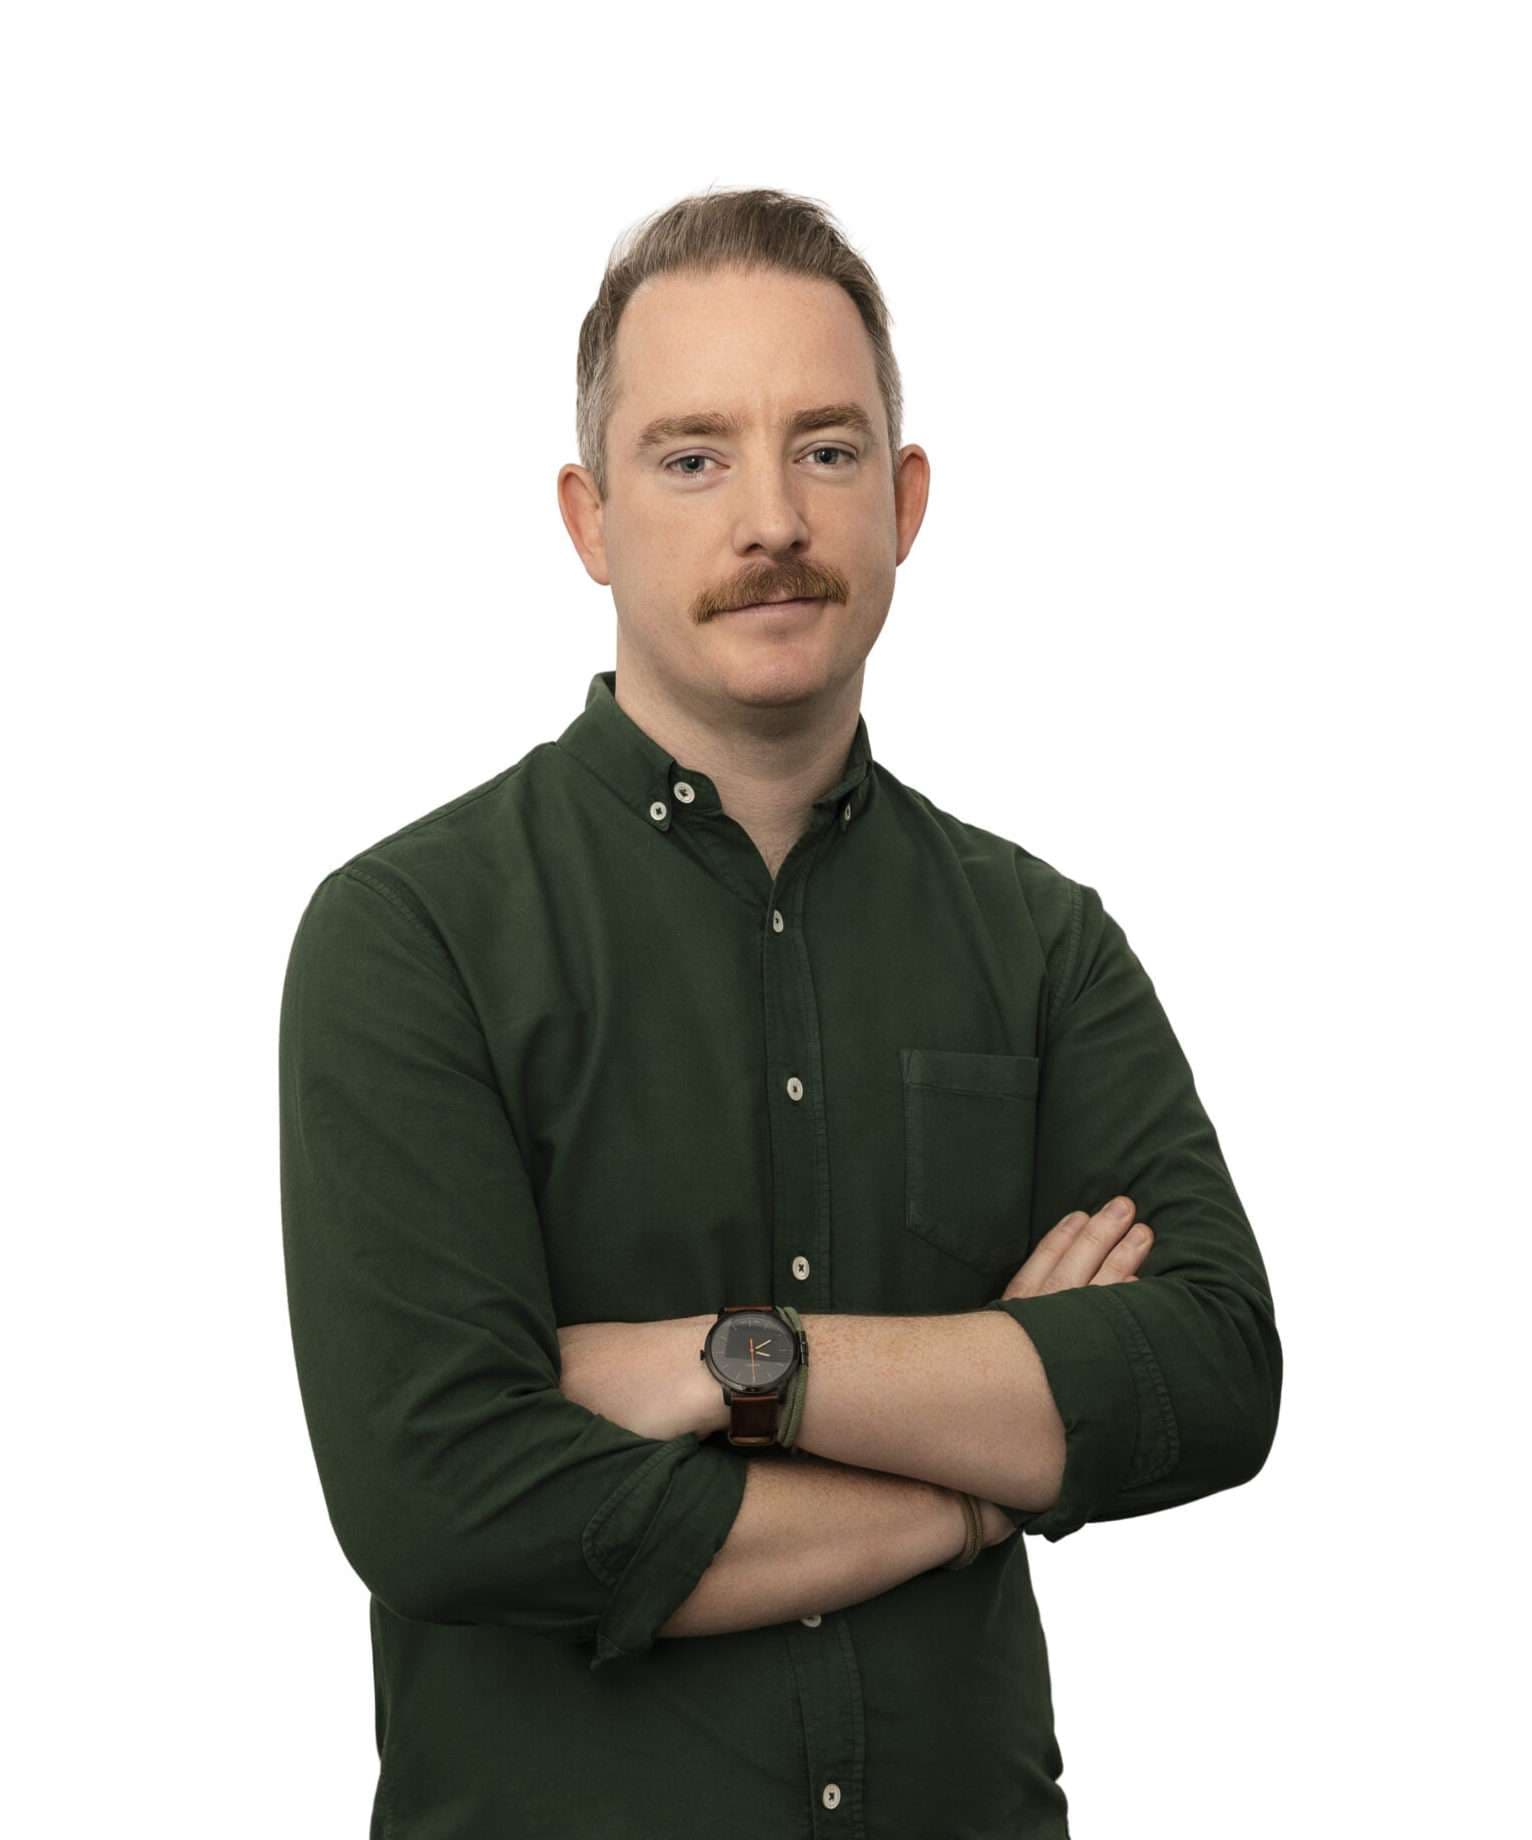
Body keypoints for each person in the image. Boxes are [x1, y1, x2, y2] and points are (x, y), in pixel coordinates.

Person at [278, 185, 1282, 1839]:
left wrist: (739, 1367)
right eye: (692, 458)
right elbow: (449, 1503)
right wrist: (982, 1478)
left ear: (904, 501)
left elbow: (1213, 1373)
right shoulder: (413, 936)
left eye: (825, 450)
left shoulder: (1043, 944)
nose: (771, 519)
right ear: (591, 521)